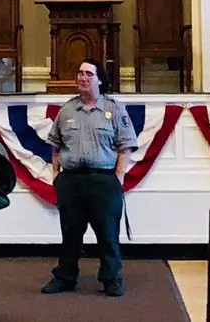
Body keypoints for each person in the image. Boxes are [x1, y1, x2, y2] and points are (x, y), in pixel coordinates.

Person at [42, 60, 137, 297]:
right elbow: (56, 144)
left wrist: (118, 177)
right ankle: (65, 277)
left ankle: (111, 279)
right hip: (71, 181)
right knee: (70, 234)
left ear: (100, 80)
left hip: (103, 181)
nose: (82, 78)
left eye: (88, 74)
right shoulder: (67, 110)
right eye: (80, 73)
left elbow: (125, 145)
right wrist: (56, 174)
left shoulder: (113, 109)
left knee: (107, 235)